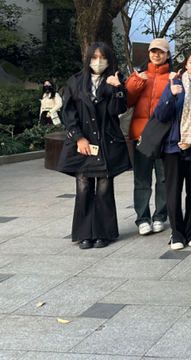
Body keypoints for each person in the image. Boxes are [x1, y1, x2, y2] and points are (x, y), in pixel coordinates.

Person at [57, 43, 129, 249]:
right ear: (88, 59)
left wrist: (118, 88)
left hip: (106, 141)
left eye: (102, 57)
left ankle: (103, 233)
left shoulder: (114, 79)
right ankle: (84, 233)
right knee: (83, 186)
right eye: (94, 57)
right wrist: (79, 138)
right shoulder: (76, 81)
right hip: (83, 141)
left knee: (104, 187)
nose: (98, 61)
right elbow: (68, 113)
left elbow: (117, 110)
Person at [153, 50, 191, 249]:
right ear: (186, 65)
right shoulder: (175, 84)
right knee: (173, 191)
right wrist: (171, 95)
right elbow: (161, 115)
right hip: (173, 147)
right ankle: (176, 232)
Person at [126, 37, 172, 236]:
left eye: (161, 52)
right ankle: (142, 218)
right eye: (153, 51)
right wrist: (137, 82)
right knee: (141, 179)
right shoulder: (138, 76)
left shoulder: (172, 77)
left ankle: (160, 216)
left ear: (167, 55)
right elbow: (127, 101)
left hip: (163, 136)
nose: (157, 55)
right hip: (141, 135)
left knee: (164, 179)